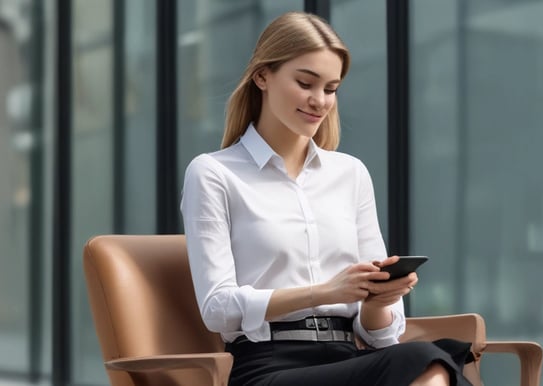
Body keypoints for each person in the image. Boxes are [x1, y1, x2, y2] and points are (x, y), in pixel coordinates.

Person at [180, 11, 474, 386]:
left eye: (331, 89)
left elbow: (380, 337)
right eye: (306, 83)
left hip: (349, 359)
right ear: (262, 76)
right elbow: (218, 310)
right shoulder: (213, 173)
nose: (319, 101)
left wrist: (377, 300)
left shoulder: (350, 174)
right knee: (429, 361)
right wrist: (325, 291)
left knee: (429, 362)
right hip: (268, 367)